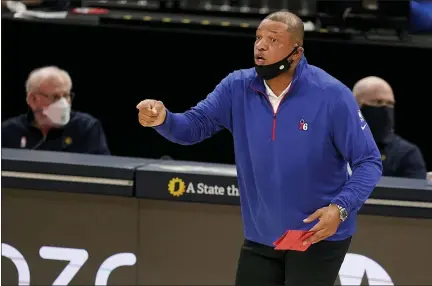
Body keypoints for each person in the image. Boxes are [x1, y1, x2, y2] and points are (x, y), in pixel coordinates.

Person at [137, 11, 382, 286]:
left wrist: (340, 208)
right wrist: (164, 119)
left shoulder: (331, 95)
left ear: (296, 52)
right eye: (258, 38)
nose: (261, 45)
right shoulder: (237, 87)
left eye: (273, 39)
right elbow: (194, 126)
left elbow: (369, 161)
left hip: (317, 235)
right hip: (262, 234)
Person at [2, 66, 110, 155]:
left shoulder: (86, 128)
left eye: (66, 96)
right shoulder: (9, 131)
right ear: (33, 100)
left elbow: (103, 174)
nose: (63, 103)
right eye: (55, 97)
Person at [353, 76, 427, 179]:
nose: (385, 109)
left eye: (390, 103)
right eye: (378, 102)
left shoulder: (406, 153)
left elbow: (414, 193)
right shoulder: (331, 144)